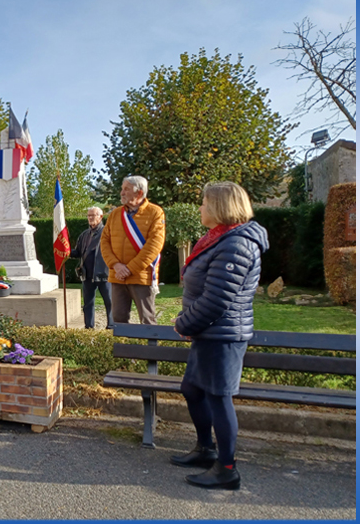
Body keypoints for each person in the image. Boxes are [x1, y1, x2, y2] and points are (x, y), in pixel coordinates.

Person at [171, 181, 268, 490]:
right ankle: (205, 449)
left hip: (222, 336)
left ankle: (227, 468)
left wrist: (184, 323)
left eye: (204, 202)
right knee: (192, 389)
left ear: (219, 207)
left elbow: (217, 300)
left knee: (218, 397)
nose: (200, 207)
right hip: (209, 333)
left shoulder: (235, 244)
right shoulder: (218, 239)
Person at [100, 175, 165, 326]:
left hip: (141, 276)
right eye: (122, 189)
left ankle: (151, 350)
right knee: (118, 320)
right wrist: (116, 265)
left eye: (126, 189)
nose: (122, 193)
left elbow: (154, 245)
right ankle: (123, 350)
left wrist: (130, 269)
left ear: (139, 193)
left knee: (147, 320)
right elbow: (104, 242)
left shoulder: (155, 212)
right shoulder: (115, 214)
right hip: (117, 276)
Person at [71, 206, 114, 329]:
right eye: (88, 215)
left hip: (104, 274)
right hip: (87, 274)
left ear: (100, 217)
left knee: (110, 302)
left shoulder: (108, 232)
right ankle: (89, 327)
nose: (90, 218)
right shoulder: (84, 235)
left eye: (93, 215)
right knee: (88, 304)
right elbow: (78, 252)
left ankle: (111, 326)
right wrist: (66, 251)